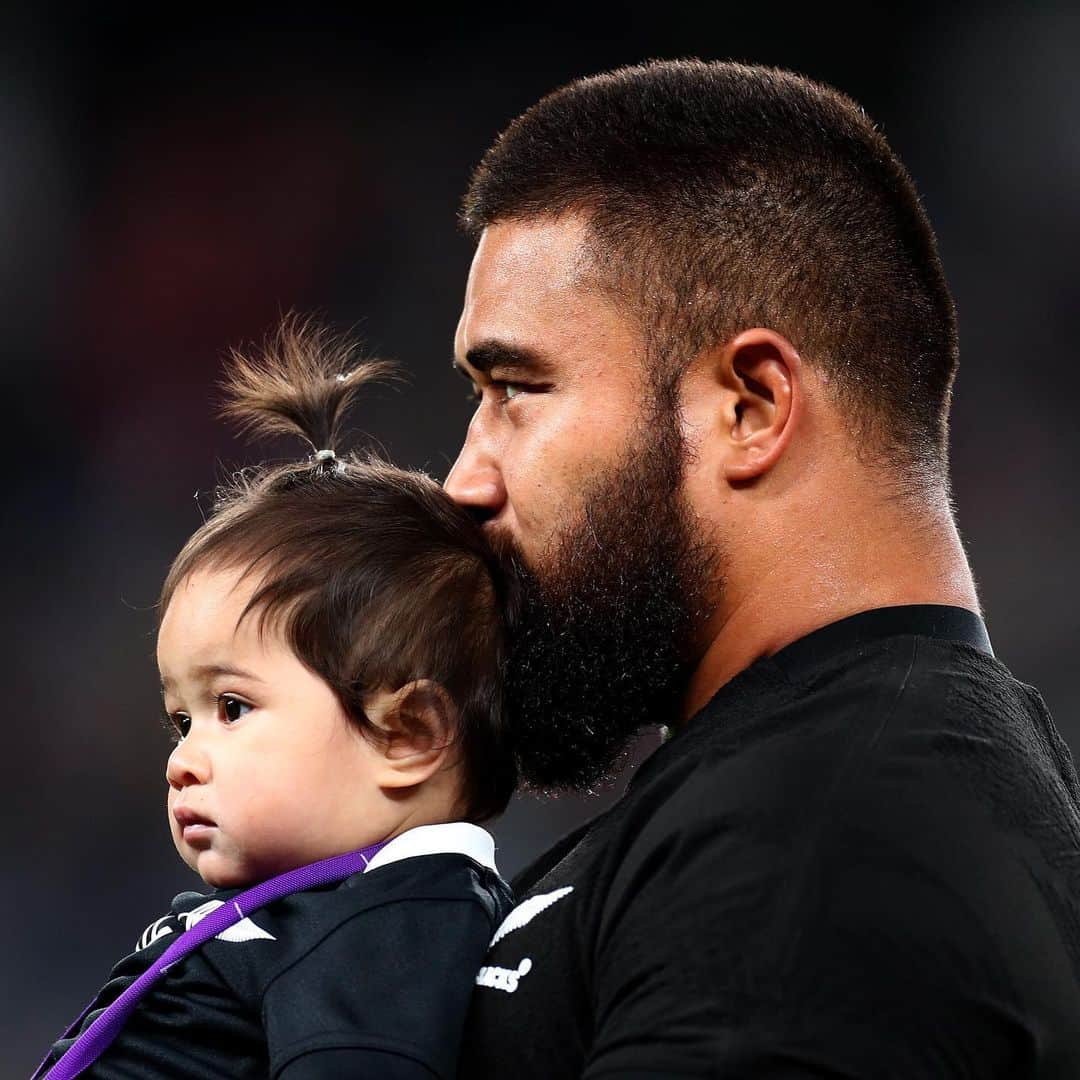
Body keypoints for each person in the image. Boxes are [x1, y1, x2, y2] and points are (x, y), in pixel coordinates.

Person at [447, 59, 1080, 1076]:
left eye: (517, 387)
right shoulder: (822, 783)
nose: (464, 480)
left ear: (750, 406)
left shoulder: (821, 840)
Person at [40, 318, 515, 1079]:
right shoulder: (303, 909)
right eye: (181, 721)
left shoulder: (389, 918)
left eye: (232, 708)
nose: (184, 761)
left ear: (408, 735)